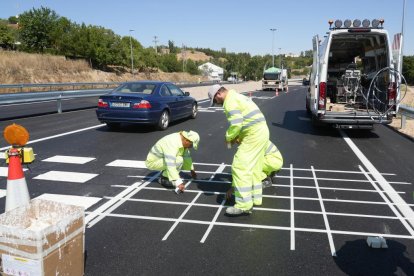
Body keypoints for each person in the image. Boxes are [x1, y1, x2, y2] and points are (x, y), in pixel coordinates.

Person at [208, 84, 269, 216]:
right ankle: (256, 198)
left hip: (254, 135)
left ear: (218, 94)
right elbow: (246, 120)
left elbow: (236, 123)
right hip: (261, 132)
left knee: (240, 166)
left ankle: (244, 205)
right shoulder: (237, 97)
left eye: (215, 100)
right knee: (254, 167)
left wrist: (229, 137)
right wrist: (239, 136)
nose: (216, 103)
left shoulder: (230, 102)